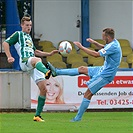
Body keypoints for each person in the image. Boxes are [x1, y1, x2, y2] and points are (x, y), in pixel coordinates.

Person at [47, 28, 122, 122]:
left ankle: (77, 118)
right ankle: (56, 72)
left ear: (107, 37)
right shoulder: (114, 43)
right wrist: (94, 42)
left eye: (103, 36)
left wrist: (81, 47)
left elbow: (95, 54)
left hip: (105, 75)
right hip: (102, 69)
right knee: (82, 69)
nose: (102, 38)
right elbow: (104, 47)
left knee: (88, 94)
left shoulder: (113, 46)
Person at [2, 16, 58, 122]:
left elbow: (36, 52)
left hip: (33, 64)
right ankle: (47, 71)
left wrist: (49, 53)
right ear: (22, 25)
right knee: (37, 60)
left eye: (30, 25)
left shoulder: (29, 38)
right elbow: (5, 43)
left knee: (43, 89)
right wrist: (9, 56)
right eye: (27, 25)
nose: (29, 27)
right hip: (25, 61)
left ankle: (37, 116)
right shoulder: (18, 34)